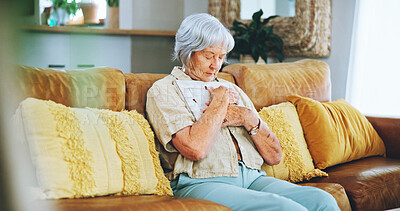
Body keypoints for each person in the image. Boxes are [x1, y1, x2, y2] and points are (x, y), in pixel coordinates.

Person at [146, 13, 340, 211]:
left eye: (221, 57)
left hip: (253, 177)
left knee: (323, 201)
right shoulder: (164, 90)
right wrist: (219, 103)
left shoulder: (233, 89)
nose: (216, 65)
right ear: (187, 52)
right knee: (286, 208)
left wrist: (248, 118)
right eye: (208, 56)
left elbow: (274, 157)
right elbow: (195, 149)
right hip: (201, 182)